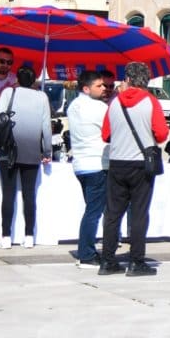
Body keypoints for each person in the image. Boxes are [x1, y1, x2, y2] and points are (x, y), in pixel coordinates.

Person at [100, 62, 169, 276]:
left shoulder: (114, 103)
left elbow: (105, 135)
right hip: (141, 164)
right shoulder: (151, 102)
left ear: (128, 79)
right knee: (139, 213)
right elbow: (161, 134)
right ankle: (136, 260)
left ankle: (108, 260)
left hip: (117, 162)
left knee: (112, 214)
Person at [0, 67, 53, 249]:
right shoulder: (42, 97)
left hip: (9, 150)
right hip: (32, 150)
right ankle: (29, 236)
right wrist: (47, 151)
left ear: (17, 79)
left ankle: (5, 236)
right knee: (29, 195)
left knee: (8, 193)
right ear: (34, 79)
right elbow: (46, 126)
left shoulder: (8, 92)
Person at [68, 70, 109, 267]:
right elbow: (110, 131)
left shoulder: (73, 106)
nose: (104, 88)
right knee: (94, 211)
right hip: (96, 163)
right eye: (99, 86)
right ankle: (86, 253)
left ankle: (88, 249)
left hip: (81, 164)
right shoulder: (99, 108)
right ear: (86, 88)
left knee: (91, 209)